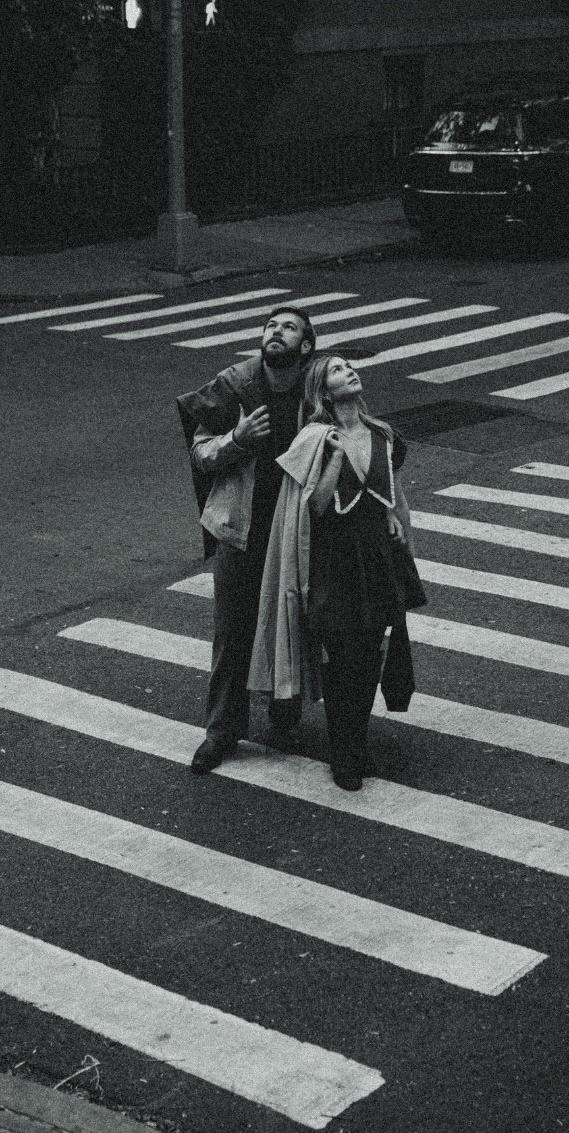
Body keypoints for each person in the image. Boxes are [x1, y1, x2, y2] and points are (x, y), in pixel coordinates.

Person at [248, 354, 424, 791]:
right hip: (332, 560)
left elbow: (390, 491)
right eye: (338, 370)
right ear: (324, 391)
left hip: (377, 557)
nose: (351, 372)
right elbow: (316, 506)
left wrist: (393, 518)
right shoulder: (316, 438)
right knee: (341, 658)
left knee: (369, 656)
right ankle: (343, 751)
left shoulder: (383, 435)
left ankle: (356, 742)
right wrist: (335, 457)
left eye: (351, 367)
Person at [176, 304, 317, 774]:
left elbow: (359, 429)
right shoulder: (235, 385)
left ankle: (284, 719)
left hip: (295, 535)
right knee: (232, 634)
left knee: (291, 627)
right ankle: (221, 731)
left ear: (306, 346)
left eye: (289, 328)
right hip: (240, 531)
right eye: (271, 326)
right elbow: (200, 454)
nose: (277, 332)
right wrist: (236, 438)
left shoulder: (317, 386)